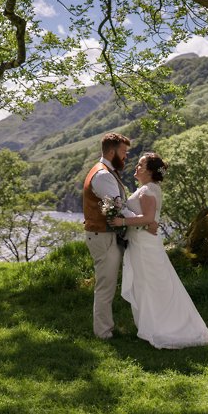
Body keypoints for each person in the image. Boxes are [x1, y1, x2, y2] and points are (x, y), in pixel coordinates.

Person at [112, 153, 208, 349]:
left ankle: (163, 328)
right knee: (147, 285)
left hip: (145, 245)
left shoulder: (147, 190)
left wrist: (122, 220)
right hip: (141, 242)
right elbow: (149, 221)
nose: (137, 167)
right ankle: (150, 325)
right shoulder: (148, 189)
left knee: (151, 285)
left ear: (151, 171)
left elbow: (147, 219)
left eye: (141, 164)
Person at [81, 132, 149, 339]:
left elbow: (118, 206)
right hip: (102, 236)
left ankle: (106, 328)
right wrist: (143, 220)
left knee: (108, 284)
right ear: (112, 152)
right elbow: (118, 208)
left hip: (105, 235)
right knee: (106, 285)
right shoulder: (102, 175)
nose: (126, 156)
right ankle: (103, 333)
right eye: (123, 152)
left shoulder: (107, 172)